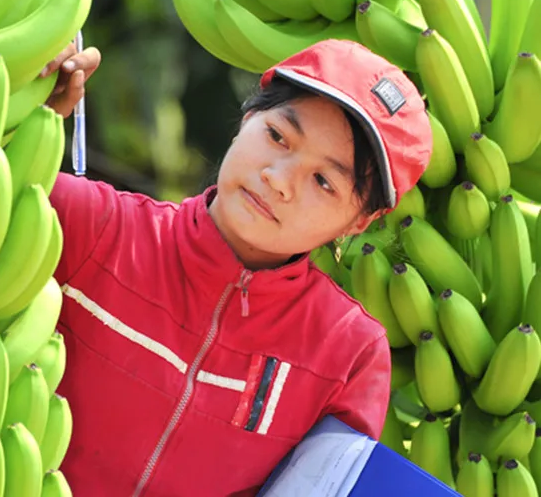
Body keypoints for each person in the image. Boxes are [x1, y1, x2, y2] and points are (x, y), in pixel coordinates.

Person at [38, 38, 433, 496]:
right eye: (277, 136)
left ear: (358, 222)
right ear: (247, 120)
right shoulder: (89, 223)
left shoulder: (348, 353)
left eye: (324, 181)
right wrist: (22, 116)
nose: (279, 179)